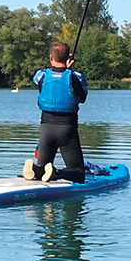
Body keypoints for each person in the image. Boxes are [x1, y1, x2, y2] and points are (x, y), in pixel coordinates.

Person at [25, 40, 88, 184]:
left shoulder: (41, 75)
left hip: (46, 129)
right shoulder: (77, 77)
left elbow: (41, 80)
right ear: (69, 58)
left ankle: (35, 170)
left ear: (51, 57)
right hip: (67, 129)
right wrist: (69, 70)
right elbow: (82, 98)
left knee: (43, 168)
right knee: (78, 173)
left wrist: (65, 69)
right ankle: (56, 172)